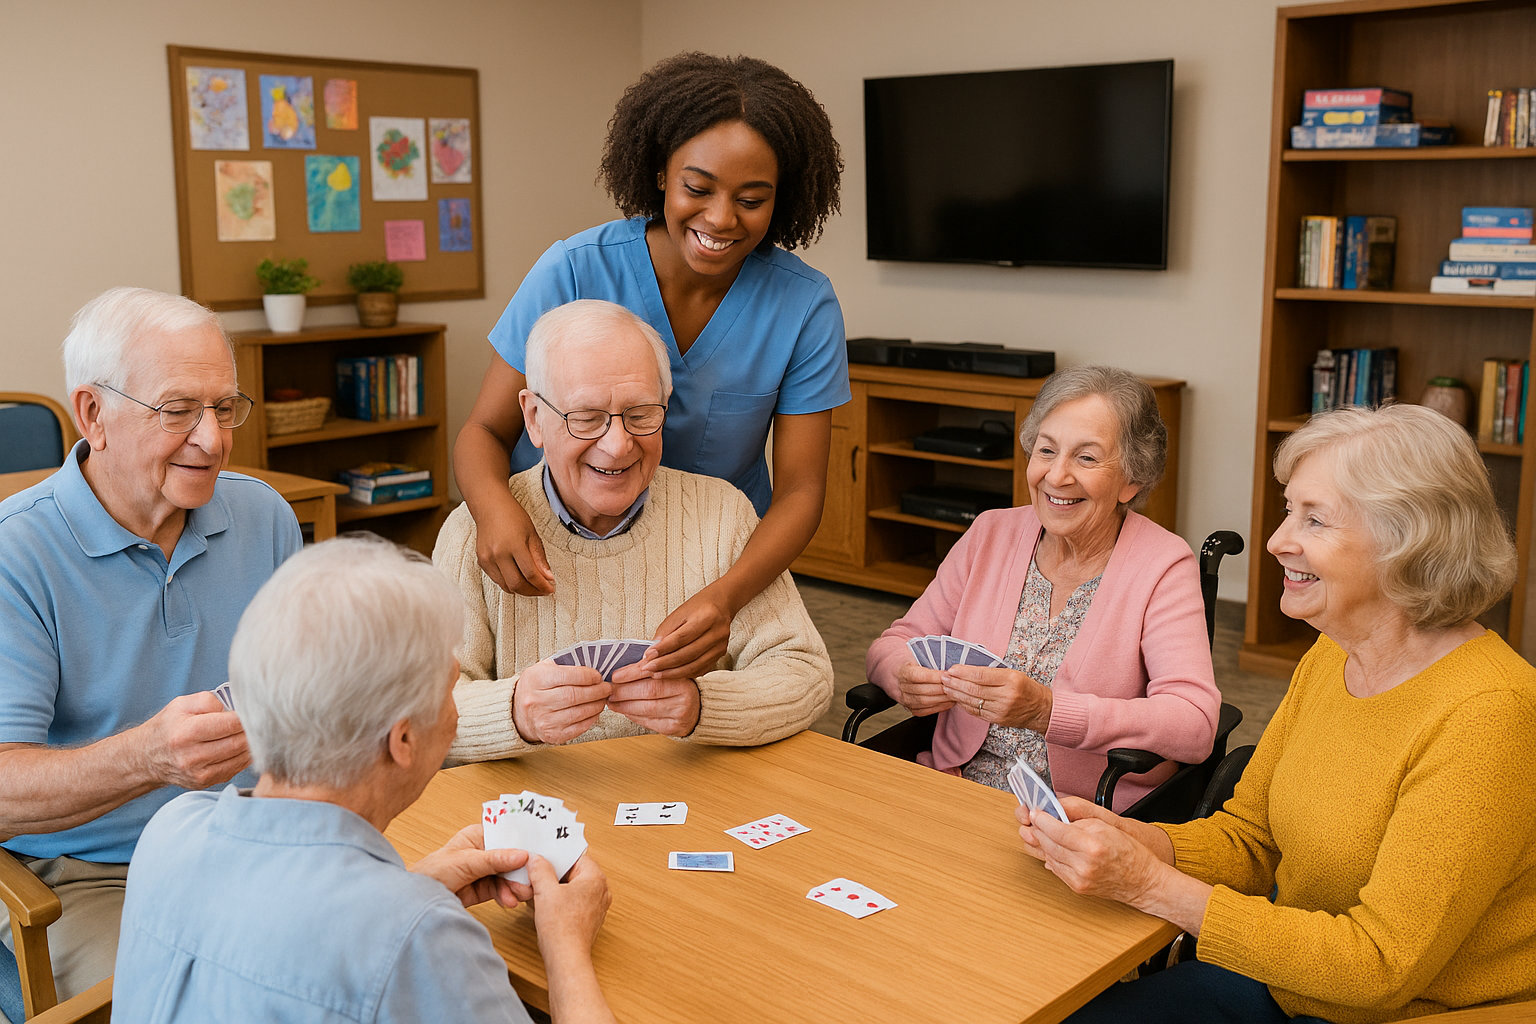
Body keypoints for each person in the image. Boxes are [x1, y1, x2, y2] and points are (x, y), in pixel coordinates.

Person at [1023, 404, 1536, 1024]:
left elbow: (1378, 968)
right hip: (1289, 980)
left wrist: (1150, 886)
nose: (1275, 541)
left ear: (1408, 543)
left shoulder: (1490, 715)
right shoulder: (1333, 654)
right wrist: (1142, 841)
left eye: (1315, 520)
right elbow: (1253, 836)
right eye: (1290, 509)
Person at [454, 52, 848, 689]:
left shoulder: (803, 305)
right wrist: (496, 510)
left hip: (714, 569)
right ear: (660, 172)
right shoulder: (574, 269)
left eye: (752, 200)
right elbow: (484, 432)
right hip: (568, 553)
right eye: (698, 189)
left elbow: (802, 490)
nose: (721, 219)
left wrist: (727, 595)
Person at [114, 535, 617, 1023]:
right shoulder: (420, 940)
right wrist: (565, 948)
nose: (455, 712)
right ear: (402, 741)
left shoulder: (170, 828)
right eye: (448, 690)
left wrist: (408, 891)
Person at [0, 287, 300, 1000]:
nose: (214, 438)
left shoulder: (264, 516)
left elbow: (313, 705)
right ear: (93, 414)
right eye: (178, 410)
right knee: (214, 1002)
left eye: (224, 408)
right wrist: (148, 757)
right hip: (90, 878)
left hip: (257, 841)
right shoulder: (17, 554)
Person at [436, 300, 833, 762]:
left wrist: (703, 706)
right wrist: (514, 713)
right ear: (533, 418)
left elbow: (806, 674)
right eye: (586, 417)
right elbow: (416, 712)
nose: (618, 444)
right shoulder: (473, 532)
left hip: (697, 807)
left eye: (641, 413)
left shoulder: (724, 513)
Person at [865, 365, 1220, 809]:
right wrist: (901, 675)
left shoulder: (1163, 565)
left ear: (1132, 480)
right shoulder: (990, 533)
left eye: (1087, 458)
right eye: (1047, 450)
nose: (1056, 476)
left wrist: (1049, 711)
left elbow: (1194, 724)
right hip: (951, 788)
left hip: (1075, 818)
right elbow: (895, 642)